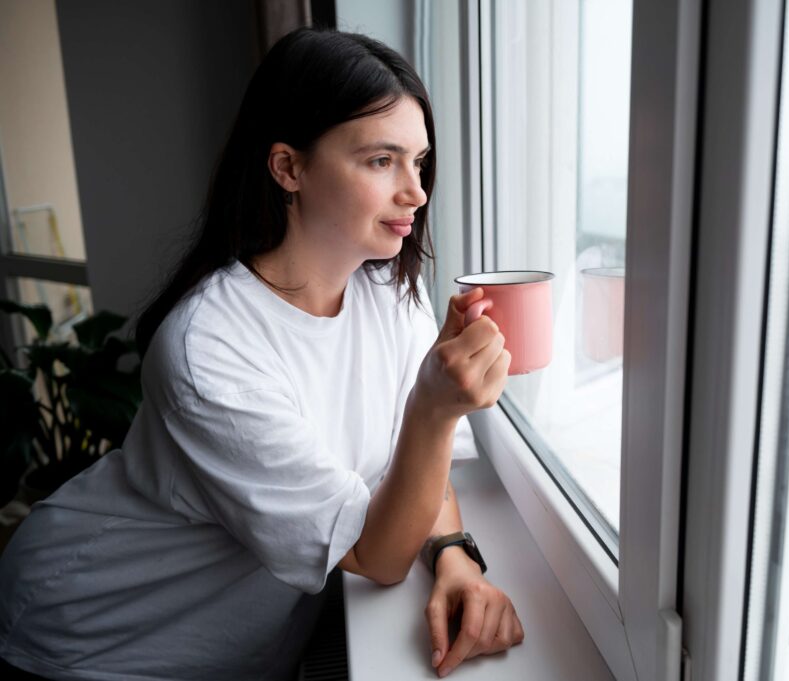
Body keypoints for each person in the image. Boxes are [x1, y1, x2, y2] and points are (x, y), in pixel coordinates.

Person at [0, 28, 522, 680]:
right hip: (97, 636)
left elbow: (411, 465)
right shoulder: (208, 347)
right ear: (288, 167)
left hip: (241, 649)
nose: (415, 192)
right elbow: (377, 554)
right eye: (381, 160)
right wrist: (435, 405)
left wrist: (454, 559)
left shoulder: (388, 296)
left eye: (419, 161)